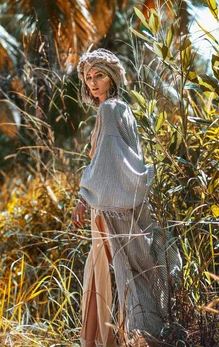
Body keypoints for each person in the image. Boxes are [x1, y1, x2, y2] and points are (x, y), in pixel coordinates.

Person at [71, 49, 181, 347]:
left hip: (111, 206)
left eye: (100, 76)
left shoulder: (108, 110)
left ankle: (128, 339)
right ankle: (145, 334)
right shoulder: (123, 109)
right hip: (128, 201)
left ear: (113, 78)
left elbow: (108, 162)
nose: (93, 83)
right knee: (138, 273)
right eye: (89, 77)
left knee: (116, 275)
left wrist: (84, 196)